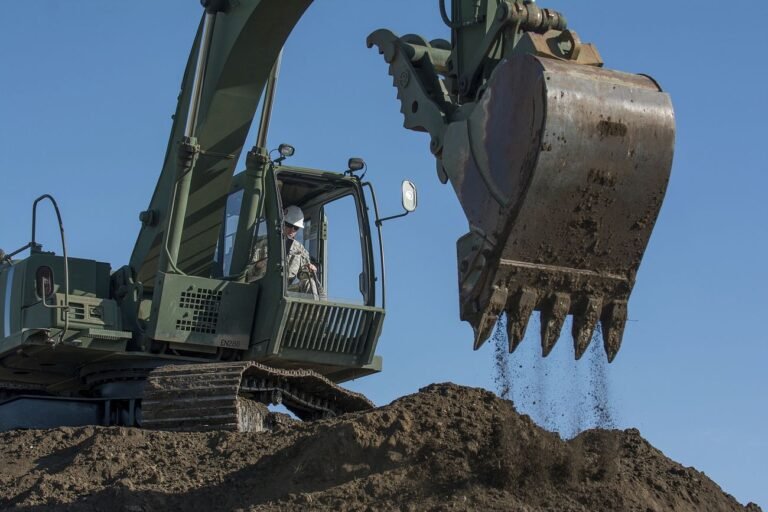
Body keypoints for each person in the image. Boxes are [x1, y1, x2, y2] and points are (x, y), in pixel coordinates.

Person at [282, 205, 324, 299]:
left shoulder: (299, 249)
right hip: (264, 289)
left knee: (308, 283)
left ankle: (315, 312)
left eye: (296, 228)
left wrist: (309, 270)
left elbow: (303, 274)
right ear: (282, 223)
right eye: (289, 225)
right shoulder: (265, 243)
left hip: (285, 291)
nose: (292, 230)